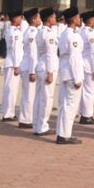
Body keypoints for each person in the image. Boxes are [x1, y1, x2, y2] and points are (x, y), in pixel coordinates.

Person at [55, 7, 83, 145]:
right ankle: (65, 135)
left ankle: (62, 133)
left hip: (66, 72)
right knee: (70, 105)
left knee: (65, 104)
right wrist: (77, 78)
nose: (80, 19)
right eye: (78, 17)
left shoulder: (65, 33)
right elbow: (74, 58)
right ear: (73, 19)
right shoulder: (73, 36)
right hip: (72, 74)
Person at [32, 8, 58, 136]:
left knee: (38, 98)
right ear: (48, 19)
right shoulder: (49, 33)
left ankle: (36, 125)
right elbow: (50, 54)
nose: (55, 19)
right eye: (53, 17)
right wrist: (50, 72)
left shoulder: (40, 32)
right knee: (46, 99)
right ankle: (43, 126)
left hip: (40, 66)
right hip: (47, 67)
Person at [18, 8, 40, 129]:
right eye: (38, 17)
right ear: (33, 19)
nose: (39, 19)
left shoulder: (30, 31)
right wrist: (32, 71)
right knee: (29, 95)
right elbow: (32, 53)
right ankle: (26, 120)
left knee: (29, 94)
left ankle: (26, 118)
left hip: (28, 66)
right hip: (29, 67)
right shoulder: (32, 32)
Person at [78, 11, 94, 125]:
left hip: (85, 65)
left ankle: (84, 113)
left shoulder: (82, 31)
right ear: (90, 21)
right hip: (90, 66)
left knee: (85, 92)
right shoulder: (91, 33)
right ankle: (87, 116)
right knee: (89, 93)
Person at [1, 9, 24, 121]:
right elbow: (15, 50)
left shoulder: (12, 31)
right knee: (11, 89)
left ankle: (9, 112)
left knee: (10, 89)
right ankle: (8, 113)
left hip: (11, 62)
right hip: (12, 63)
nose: (21, 19)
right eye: (20, 17)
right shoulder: (15, 32)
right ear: (15, 19)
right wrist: (16, 65)